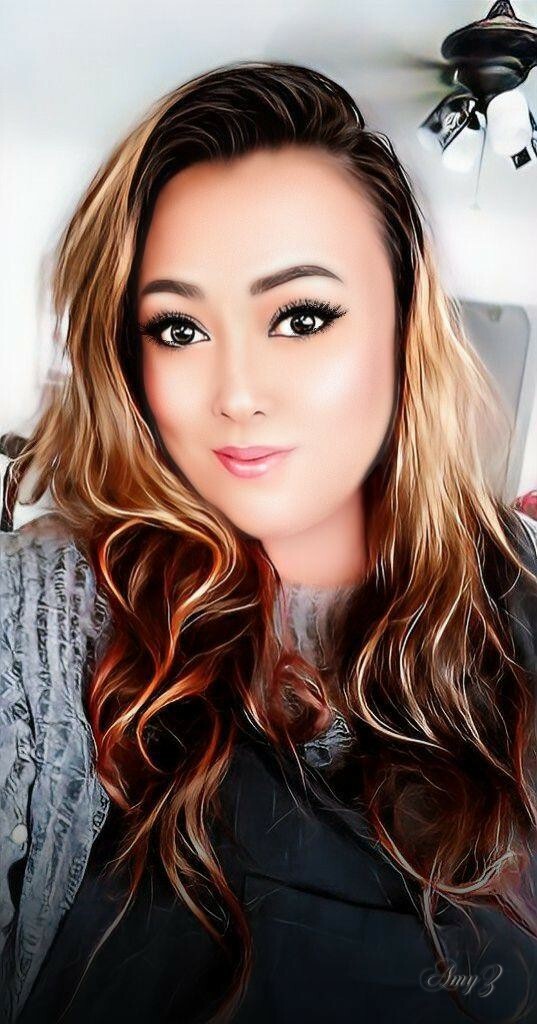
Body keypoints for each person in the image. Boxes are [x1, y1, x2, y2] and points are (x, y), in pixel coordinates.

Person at [1, 60, 536, 1024]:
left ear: (403, 324)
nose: (237, 392)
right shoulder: (38, 617)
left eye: (300, 317)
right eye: (178, 329)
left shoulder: (520, 591)